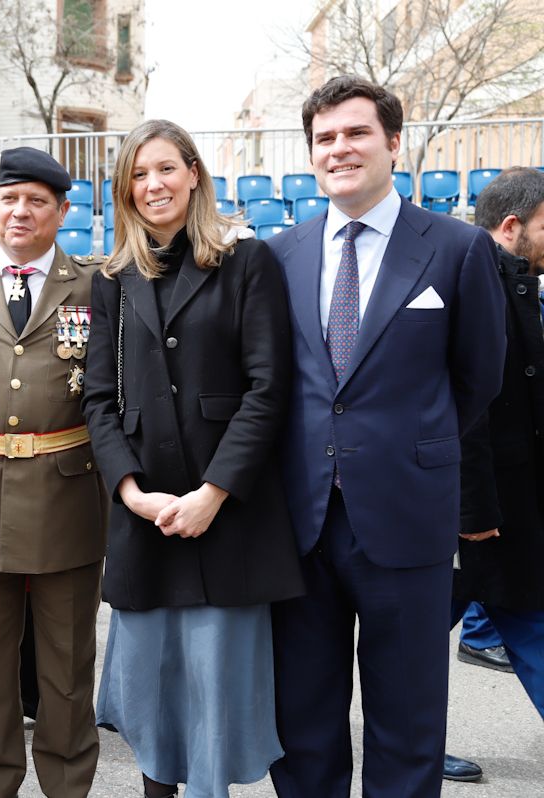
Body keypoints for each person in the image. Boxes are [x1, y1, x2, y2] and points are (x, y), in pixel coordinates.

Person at [267, 75, 505, 798]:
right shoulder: (280, 255)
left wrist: (408, 446)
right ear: (311, 154)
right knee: (303, 720)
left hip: (408, 511)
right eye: (325, 139)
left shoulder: (458, 250)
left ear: (392, 142)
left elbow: (479, 378)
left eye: (355, 133)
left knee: (407, 720)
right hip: (301, 520)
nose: (339, 149)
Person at [82, 119, 304, 798]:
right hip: (148, 519)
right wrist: (129, 491)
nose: (154, 185)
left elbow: (270, 390)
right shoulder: (114, 277)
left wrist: (213, 494)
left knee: (213, 699)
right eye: (138, 176)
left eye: (166, 169)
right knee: (152, 700)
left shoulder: (247, 262)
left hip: (226, 520)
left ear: (195, 173)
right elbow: (98, 399)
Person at [0, 147, 108, 798]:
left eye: (37, 200)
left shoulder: (96, 287)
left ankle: (67, 788)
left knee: (67, 674)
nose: (21, 211)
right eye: (10, 198)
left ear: (62, 212)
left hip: (67, 499)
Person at [443, 166, 544, 782]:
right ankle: (414, 746)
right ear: (512, 227)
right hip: (477, 514)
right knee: (418, 639)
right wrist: (475, 518)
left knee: (530, 622)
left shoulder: (519, 282)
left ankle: (414, 743)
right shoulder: (474, 282)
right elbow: (467, 411)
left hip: (507, 509)